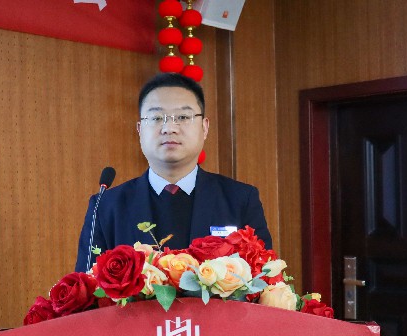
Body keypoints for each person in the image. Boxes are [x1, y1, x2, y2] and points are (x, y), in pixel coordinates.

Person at [75, 73, 272, 272]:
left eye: (183, 117)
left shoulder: (240, 200)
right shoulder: (105, 207)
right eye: (156, 118)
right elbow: (87, 284)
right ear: (140, 130)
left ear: (204, 127)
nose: (169, 128)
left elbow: (265, 278)